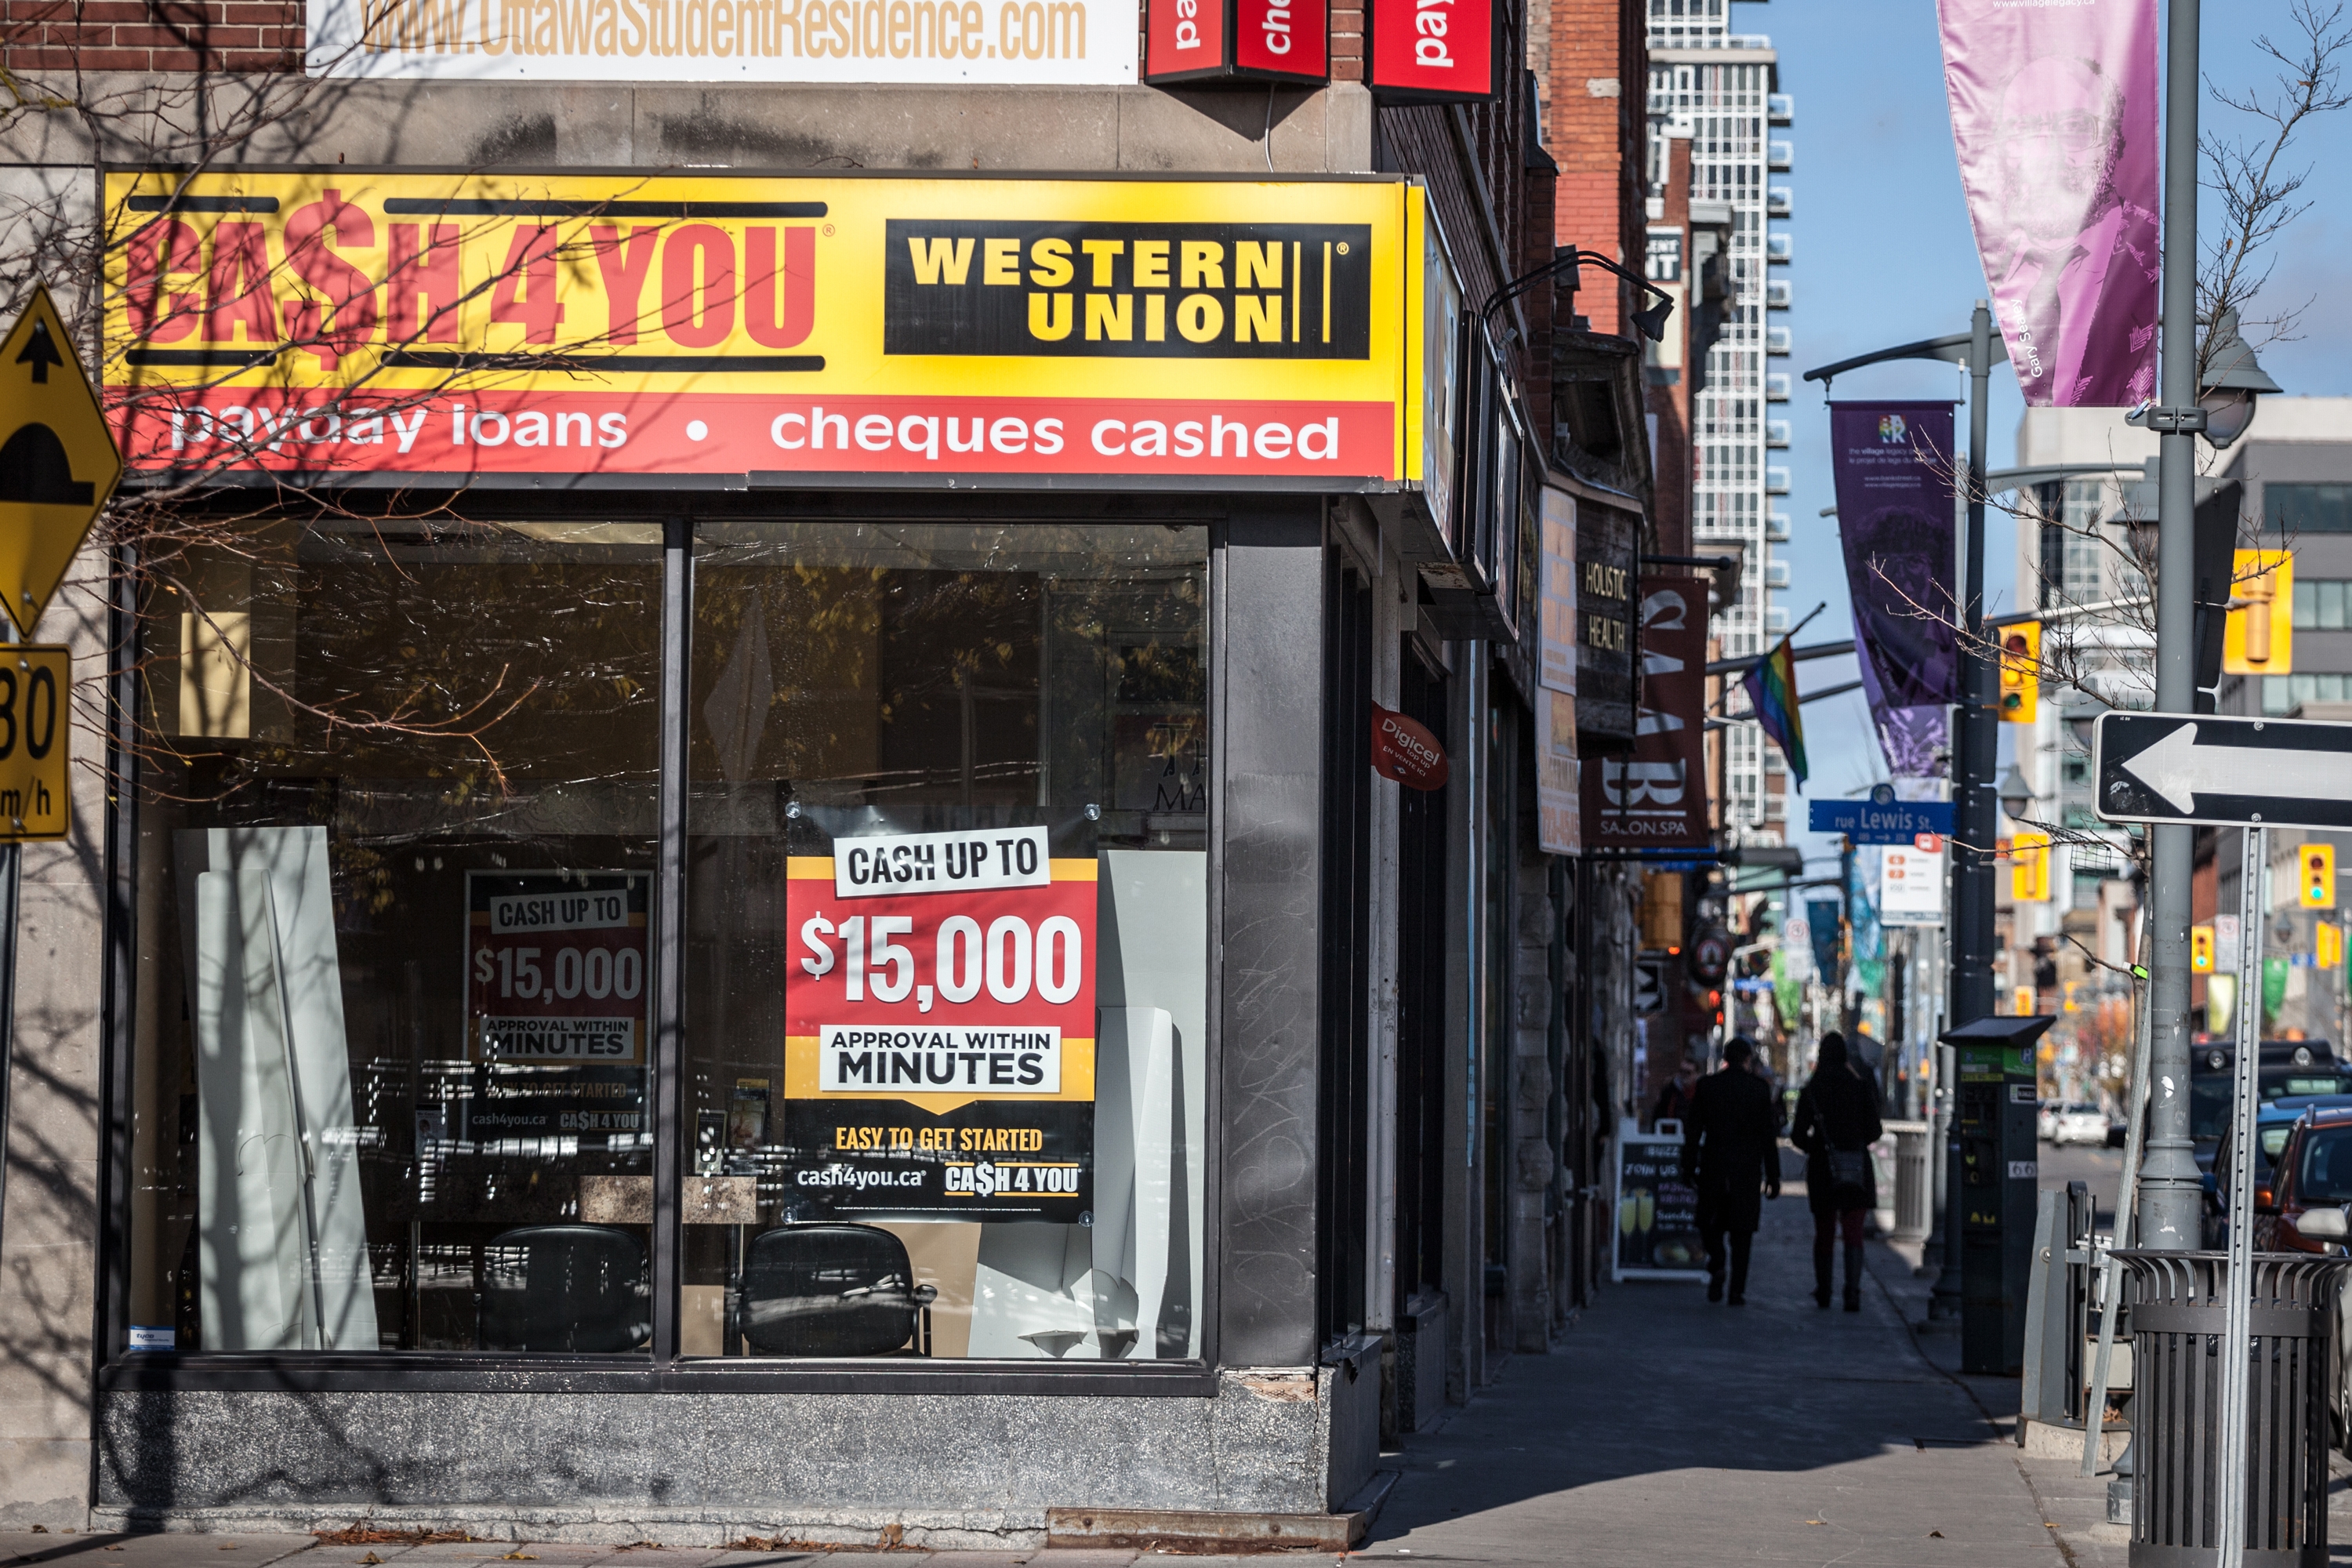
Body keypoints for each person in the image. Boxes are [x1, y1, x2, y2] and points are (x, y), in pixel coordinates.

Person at [1680, 1037, 1780, 1305]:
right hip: (1746, 1172)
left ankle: (1718, 1261)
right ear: (1747, 1059)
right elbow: (1768, 1138)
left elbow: (1693, 1133)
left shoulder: (1707, 1087)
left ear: (1725, 1057)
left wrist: (1687, 1167)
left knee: (1708, 1222)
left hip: (1714, 1167)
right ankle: (1737, 1291)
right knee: (1742, 1233)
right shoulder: (1759, 1090)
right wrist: (1773, 1175)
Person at [1792, 1032, 1884, 1312]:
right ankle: (1852, 1293)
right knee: (1854, 1231)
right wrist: (1854, 1145)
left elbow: (1797, 1135)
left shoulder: (1812, 1089)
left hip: (1823, 1170)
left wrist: (1818, 1148)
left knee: (1825, 1231)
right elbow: (1875, 1130)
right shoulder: (1859, 1087)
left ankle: (1824, 1291)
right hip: (1856, 1168)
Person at [1651, 1058, 1700, 1131]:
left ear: (1696, 1074)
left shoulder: (1700, 1092)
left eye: (1688, 1072)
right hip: (1670, 1136)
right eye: (1682, 1071)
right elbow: (1659, 1113)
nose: (1684, 1075)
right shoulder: (1669, 1091)